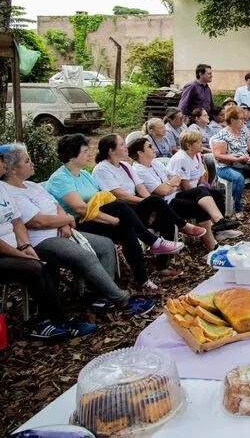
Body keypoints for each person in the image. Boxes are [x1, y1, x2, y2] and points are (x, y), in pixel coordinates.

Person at [1, 144, 155, 318]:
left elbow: (56, 206)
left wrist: (64, 222)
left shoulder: (31, 185)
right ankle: (122, 300)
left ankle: (102, 296)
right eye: (27, 161)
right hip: (42, 240)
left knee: (105, 244)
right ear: (13, 169)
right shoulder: (10, 192)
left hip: (63, 230)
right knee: (85, 256)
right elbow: (37, 221)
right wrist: (67, 220)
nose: (32, 163)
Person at [47, 134, 182, 291]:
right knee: (120, 209)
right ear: (71, 156)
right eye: (85, 151)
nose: (89, 154)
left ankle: (143, 279)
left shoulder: (84, 175)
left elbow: (103, 198)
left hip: (97, 218)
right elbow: (80, 209)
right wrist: (112, 220)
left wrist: (117, 219)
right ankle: (153, 242)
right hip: (77, 225)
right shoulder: (60, 178)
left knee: (128, 229)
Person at [0, 144, 100, 339]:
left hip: (18, 247)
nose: (3, 164)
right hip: (5, 253)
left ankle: (56, 318)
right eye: (1, 160)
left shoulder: (2, 190)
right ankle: (49, 322)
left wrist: (25, 245)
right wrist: (20, 253)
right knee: (35, 267)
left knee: (47, 258)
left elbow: (17, 220)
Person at [92, 134, 207, 274]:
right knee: (155, 200)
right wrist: (148, 202)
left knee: (166, 222)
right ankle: (183, 226)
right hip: (121, 210)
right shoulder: (102, 169)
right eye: (122, 144)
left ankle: (162, 267)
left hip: (136, 205)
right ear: (111, 150)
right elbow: (118, 195)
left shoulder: (125, 166)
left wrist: (152, 207)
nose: (125, 147)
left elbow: (140, 188)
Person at [130, 135, 238, 251]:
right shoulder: (139, 170)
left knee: (206, 191)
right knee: (200, 205)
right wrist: (170, 184)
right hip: (164, 205)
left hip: (173, 195)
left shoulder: (155, 163)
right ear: (140, 153)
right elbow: (163, 191)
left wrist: (169, 184)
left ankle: (219, 223)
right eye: (150, 147)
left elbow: (176, 177)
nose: (154, 148)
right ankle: (212, 243)